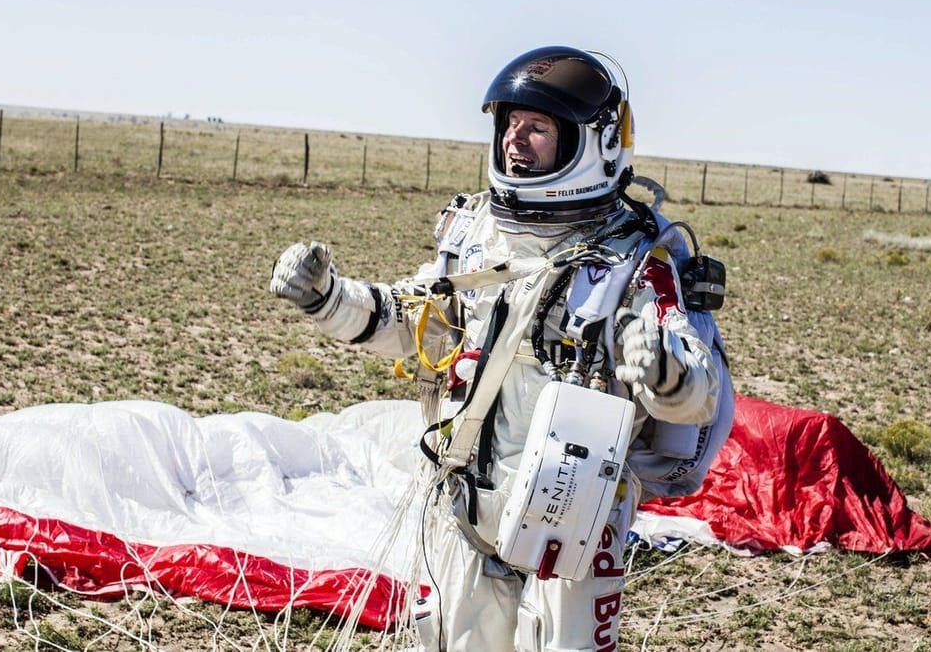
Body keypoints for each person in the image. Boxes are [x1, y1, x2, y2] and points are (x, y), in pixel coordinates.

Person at [270, 46, 730, 652]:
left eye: (537, 128)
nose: (516, 140)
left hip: (575, 519)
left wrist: (666, 373)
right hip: (465, 500)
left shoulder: (639, 260)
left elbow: (699, 395)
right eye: (511, 124)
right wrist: (328, 298)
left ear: (596, 145)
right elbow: (418, 319)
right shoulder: (477, 234)